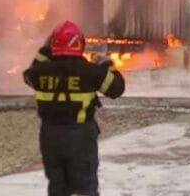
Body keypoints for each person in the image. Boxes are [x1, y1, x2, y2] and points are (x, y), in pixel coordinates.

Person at [23, 21, 126, 196]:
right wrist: (106, 63)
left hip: (50, 136)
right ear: (79, 44)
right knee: (83, 186)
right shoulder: (90, 71)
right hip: (80, 136)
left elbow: (30, 73)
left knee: (57, 185)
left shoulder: (39, 73)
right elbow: (116, 89)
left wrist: (45, 50)